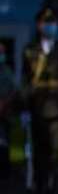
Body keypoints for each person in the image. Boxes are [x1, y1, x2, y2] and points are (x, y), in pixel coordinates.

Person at [21, 7, 58, 194]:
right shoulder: (30, 50)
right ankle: (38, 186)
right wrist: (25, 108)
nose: (50, 26)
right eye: (46, 22)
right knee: (37, 150)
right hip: (37, 106)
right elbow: (25, 79)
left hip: (57, 105)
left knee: (55, 149)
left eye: (53, 23)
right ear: (39, 25)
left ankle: (51, 185)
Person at [0, 43, 15, 180]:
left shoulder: (7, 71)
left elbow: (13, 90)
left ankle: (5, 169)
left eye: (2, 52)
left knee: (4, 142)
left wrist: (5, 103)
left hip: (4, 111)